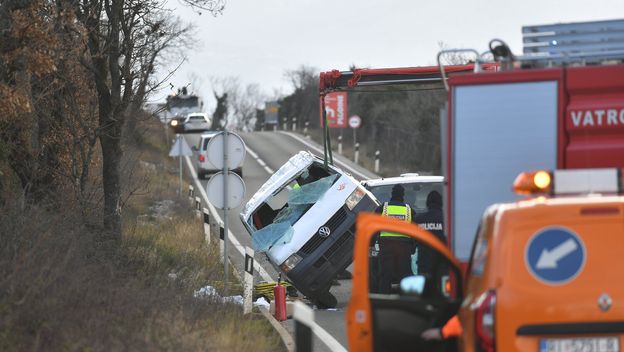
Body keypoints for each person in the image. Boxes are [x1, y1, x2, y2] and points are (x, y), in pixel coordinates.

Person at [375, 184, 417, 294]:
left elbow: (372, 226)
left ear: (392, 194)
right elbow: (416, 231)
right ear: (403, 195)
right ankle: (407, 300)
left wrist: (372, 243)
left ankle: (384, 299)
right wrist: (413, 247)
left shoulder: (383, 208)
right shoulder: (409, 210)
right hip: (404, 247)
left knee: (385, 275)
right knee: (405, 275)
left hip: (386, 246)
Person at [413, 190, 447, 276]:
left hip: (424, 264)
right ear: (441, 203)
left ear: (427, 203)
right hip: (442, 264)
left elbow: (413, 240)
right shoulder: (447, 219)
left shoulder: (419, 219)